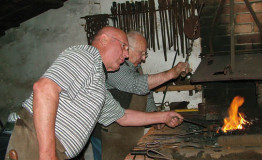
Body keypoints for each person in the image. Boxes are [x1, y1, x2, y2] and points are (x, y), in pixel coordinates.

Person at [5, 26, 183, 160]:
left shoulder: (97, 83)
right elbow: (44, 88)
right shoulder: (87, 55)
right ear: (104, 39)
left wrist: (163, 116)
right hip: (34, 141)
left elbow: (123, 117)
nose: (126, 55)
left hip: (51, 149)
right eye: (123, 47)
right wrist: (47, 154)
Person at [90, 31, 190, 160]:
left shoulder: (136, 67)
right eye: (141, 53)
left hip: (128, 131)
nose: (143, 58)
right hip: (107, 135)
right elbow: (136, 85)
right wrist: (171, 73)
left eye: (145, 54)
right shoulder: (114, 69)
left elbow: (146, 93)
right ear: (127, 49)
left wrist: (154, 113)